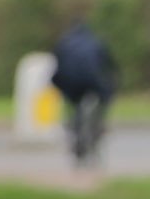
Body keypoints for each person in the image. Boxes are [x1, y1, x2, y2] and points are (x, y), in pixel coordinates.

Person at [48, 13, 118, 166]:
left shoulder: (64, 42)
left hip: (70, 82)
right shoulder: (96, 41)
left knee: (72, 104)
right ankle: (97, 128)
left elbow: (56, 64)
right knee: (103, 100)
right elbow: (109, 64)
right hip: (93, 81)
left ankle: (74, 127)